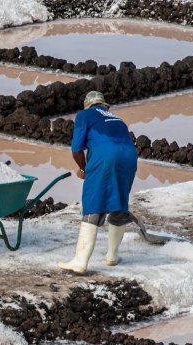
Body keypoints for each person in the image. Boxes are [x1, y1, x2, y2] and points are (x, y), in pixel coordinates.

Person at [59, 91, 138, 274]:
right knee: (119, 203)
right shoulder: (118, 119)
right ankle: (112, 256)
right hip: (129, 157)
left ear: (88, 105)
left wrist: (84, 169)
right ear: (105, 106)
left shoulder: (84, 115)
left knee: (94, 202)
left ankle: (80, 261)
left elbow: (77, 149)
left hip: (105, 155)